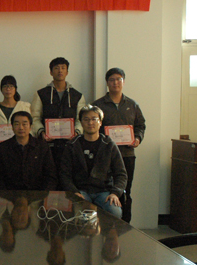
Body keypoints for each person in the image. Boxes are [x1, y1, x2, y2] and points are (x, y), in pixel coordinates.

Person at [92, 68, 146, 223]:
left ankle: (125, 226)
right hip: (104, 156)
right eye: (112, 80)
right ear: (107, 83)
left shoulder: (132, 105)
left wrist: (137, 138)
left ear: (123, 82)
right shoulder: (98, 105)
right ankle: (105, 226)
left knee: (125, 191)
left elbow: (140, 125)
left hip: (127, 155)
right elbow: (92, 128)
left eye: (119, 79)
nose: (115, 82)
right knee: (104, 191)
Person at [60, 105, 127, 219]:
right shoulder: (72, 145)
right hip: (81, 191)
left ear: (100, 122)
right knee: (79, 212)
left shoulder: (109, 145)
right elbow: (64, 174)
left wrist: (115, 193)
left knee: (115, 211)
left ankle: (105, 231)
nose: (90, 123)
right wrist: (74, 192)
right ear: (81, 123)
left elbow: (121, 174)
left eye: (94, 119)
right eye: (86, 119)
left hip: (104, 191)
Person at [30, 57, 86, 172]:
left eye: (63, 68)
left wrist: (76, 133)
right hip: (47, 146)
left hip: (70, 146)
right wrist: (41, 132)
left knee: (68, 175)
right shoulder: (41, 94)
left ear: (67, 72)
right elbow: (35, 118)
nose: (60, 71)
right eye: (56, 68)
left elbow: (81, 119)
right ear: (51, 72)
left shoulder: (77, 96)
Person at [0, 111, 58, 191]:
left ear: (31, 127)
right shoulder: (2, 148)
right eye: (17, 124)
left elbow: (50, 175)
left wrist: (42, 195)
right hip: (10, 195)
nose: (21, 128)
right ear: (12, 127)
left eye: (24, 124)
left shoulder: (42, 147)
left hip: (37, 194)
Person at [0, 75, 31, 145]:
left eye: (11, 86)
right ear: (1, 89)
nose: (8, 89)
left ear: (15, 89)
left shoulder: (24, 107)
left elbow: (30, 128)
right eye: (5, 86)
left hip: (20, 146)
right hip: (0, 147)